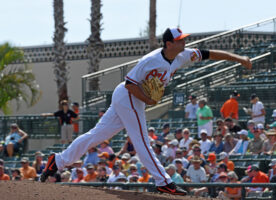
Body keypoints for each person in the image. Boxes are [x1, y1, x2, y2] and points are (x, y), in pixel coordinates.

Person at [41, 27, 252, 195]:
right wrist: (149, 100)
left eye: (184, 39)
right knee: (141, 140)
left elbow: (209, 54)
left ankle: (57, 161)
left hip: (132, 98)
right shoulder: (151, 60)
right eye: (180, 40)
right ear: (169, 43)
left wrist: (239, 58)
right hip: (129, 96)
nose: (184, 42)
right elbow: (130, 84)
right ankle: (164, 182)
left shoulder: (182, 55)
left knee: (96, 136)